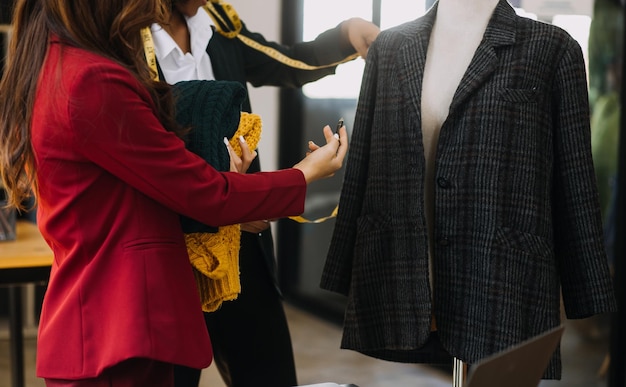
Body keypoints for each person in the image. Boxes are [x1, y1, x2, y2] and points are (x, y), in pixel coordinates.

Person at [0, 0, 348, 386]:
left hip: (114, 313)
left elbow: (139, 183)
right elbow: (202, 193)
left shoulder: (59, 64)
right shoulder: (94, 80)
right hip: (125, 321)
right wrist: (303, 174)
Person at [321, 0, 616, 381]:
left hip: (498, 272)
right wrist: (345, 265)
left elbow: (574, 175)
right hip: (409, 265)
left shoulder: (552, 49)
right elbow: (363, 161)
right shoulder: (391, 47)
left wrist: (585, 286)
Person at [147, 1, 380, 386]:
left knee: (267, 373)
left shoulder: (218, 25)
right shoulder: (126, 43)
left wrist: (348, 33)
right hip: (170, 250)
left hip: (242, 239)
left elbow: (285, 61)